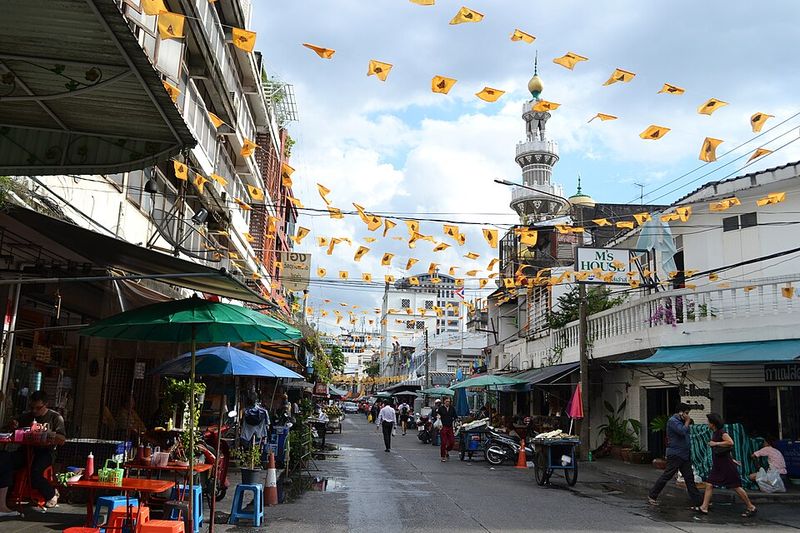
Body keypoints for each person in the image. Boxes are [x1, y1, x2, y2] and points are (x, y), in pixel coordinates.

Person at [0, 390, 66, 512]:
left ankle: (51, 494)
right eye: (32, 407)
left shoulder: (55, 417)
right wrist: (13, 424)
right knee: (5, 460)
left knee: (34, 473)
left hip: (45, 451)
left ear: (46, 404)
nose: (34, 411)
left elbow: (62, 439)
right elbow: (8, 425)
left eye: (38, 408)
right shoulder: (27, 416)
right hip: (25, 450)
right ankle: (4, 500)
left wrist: (49, 435)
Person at [697, 413, 757, 517]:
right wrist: (732, 459)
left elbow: (730, 442)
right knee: (709, 484)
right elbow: (724, 450)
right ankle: (704, 507)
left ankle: (751, 507)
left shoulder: (721, 432)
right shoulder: (715, 433)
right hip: (719, 465)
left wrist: (715, 444)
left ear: (713, 423)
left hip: (726, 466)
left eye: (709, 422)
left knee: (736, 487)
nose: (707, 424)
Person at [647, 403, 701, 508]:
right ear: (680, 412)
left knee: (689, 478)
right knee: (667, 475)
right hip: (676, 454)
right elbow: (681, 431)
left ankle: (698, 501)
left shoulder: (681, 421)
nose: (687, 415)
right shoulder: (673, 421)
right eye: (686, 413)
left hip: (684, 454)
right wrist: (687, 421)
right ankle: (652, 495)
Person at [436, 397, 457, 462]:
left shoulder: (452, 408)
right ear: (444, 401)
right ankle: (443, 456)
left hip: (450, 427)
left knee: (452, 442)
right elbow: (437, 416)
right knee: (443, 442)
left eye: (449, 401)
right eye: (447, 401)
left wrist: (457, 421)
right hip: (443, 427)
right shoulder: (441, 408)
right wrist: (438, 417)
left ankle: (447, 450)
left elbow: (455, 416)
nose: (448, 402)